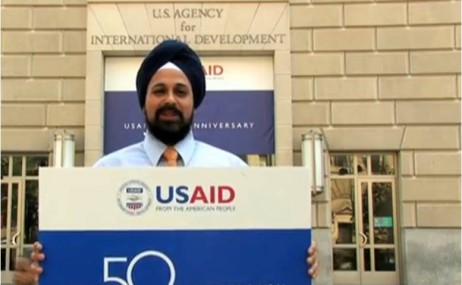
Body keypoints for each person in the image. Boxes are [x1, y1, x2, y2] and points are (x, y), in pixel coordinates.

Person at [14, 39, 319, 285]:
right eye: (159, 90)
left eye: (180, 91)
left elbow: (258, 258)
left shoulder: (233, 172)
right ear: (143, 102)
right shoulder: (105, 174)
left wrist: (295, 260)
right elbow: (84, 260)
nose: (170, 100)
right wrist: (44, 272)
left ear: (194, 104)